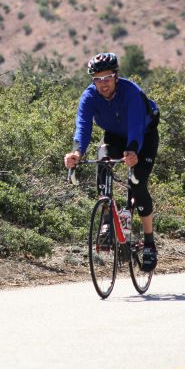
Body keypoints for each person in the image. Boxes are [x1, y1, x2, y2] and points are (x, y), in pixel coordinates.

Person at [64, 52, 161, 271]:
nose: (103, 83)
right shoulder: (89, 97)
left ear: (116, 76)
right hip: (115, 136)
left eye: (107, 77)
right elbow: (83, 126)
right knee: (103, 157)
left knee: (137, 185)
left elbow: (136, 125)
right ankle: (108, 219)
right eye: (97, 79)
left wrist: (133, 151)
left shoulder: (131, 92)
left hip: (143, 136)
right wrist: (77, 153)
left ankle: (149, 242)